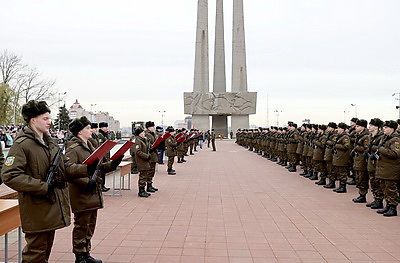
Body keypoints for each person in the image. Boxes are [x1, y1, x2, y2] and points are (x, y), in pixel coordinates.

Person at [1, 100, 71, 262]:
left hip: (51, 205)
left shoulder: (50, 143)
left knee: (44, 250)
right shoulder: (22, 144)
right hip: (36, 207)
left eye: (49, 118)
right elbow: (10, 175)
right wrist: (43, 187)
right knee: (35, 253)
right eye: (45, 118)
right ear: (33, 120)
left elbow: (64, 168)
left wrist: (87, 169)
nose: (50, 122)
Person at [65, 116, 123, 262]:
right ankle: (79, 256)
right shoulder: (73, 148)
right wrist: (86, 181)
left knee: (90, 226)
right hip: (81, 193)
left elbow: (99, 167)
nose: (91, 130)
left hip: (92, 192)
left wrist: (113, 164)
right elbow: (69, 170)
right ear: (79, 132)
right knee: (81, 226)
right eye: (87, 128)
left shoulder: (90, 145)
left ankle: (86, 253)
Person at [373, 120, 400, 217]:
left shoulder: (395, 140)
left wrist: (380, 149)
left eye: (386, 127)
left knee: (390, 189)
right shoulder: (385, 138)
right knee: (384, 188)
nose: (384, 129)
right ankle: (388, 205)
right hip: (384, 168)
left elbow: (395, 154)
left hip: (391, 169)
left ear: (392, 129)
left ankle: (393, 208)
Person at [365, 118, 385, 209]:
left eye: (372, 125)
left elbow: (380, 148)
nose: (369, 127)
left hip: (377, 162)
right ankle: (375, 198)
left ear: (377, 127)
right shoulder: (370, 136)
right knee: (372, 181)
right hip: (371, 161)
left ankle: (379, 199)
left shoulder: (381, 136)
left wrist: (372, 147)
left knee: (378, 182)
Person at [351, 119, 370, 203]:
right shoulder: (358, 135)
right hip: (358, 159)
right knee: (359, 177)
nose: (356, 127)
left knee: (362, 178)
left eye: (358, 126)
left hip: (362, 160)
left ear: (363, 127)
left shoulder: (366, 136)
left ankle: (363, 195)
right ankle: (361, 194)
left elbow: (366, 149)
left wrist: (356, 147)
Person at [133, 127, 152, 197]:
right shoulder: (138, 141)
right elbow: (138, 152)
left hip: (145, 160)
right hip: (141, 161)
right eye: (143, 132)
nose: (144, 133)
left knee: (145, 175)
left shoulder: (143, 140)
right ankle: (141, 191)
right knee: (142, 176)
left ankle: (143, 190)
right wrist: (146, 156)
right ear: (139, 134)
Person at [331, 122, 351, 193]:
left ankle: (343, 187)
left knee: (342, 172)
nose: (337, 129)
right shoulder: (339, 136)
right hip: (338, 156)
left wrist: (336, 145)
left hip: (342, 157)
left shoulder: (345, 137)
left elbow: (346, 146)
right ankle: (340, 186)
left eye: (339, 128)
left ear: (343, 129)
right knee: (339, 172)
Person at [144, 121, 159, 192]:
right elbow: (147, 144)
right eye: (153, 126)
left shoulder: (153, 134)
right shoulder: (146, 134)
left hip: (154, 154)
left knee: (152, 170)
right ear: (149, 127)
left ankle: (150, 184)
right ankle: (148, 186)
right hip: (150, 154)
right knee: (149, 171)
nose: (154, 128)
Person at [97, 122, 110, 192]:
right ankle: (101, 186)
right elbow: (101, 146)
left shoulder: (105, 135)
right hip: (102, 157)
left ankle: (103, 185)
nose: (107, 128)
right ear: (102, 128)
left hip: (106, 156)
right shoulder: (100, 135)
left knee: (103, 172)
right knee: (101, 172)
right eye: (106, 127)